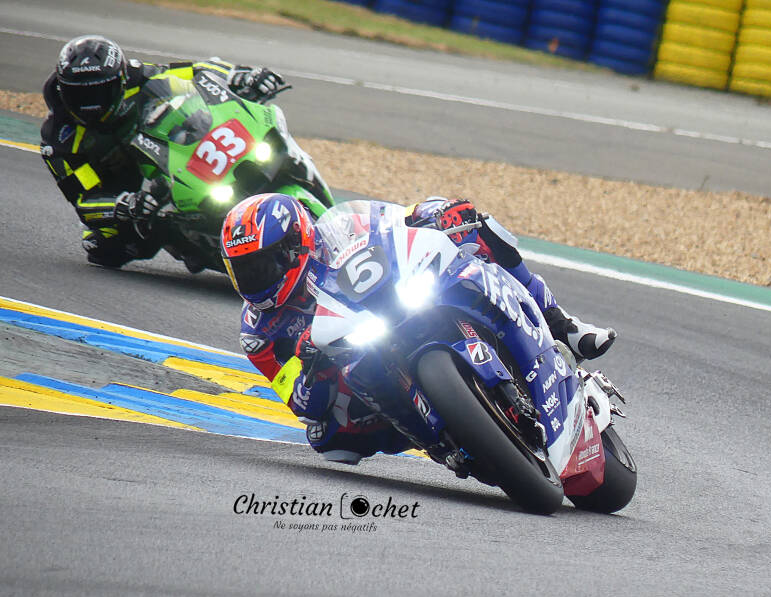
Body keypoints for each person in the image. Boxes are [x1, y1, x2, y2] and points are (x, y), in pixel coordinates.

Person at [221, 193, 617, 465]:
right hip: (352, 365)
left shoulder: (338, 229)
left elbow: (402, 218)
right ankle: (441, 441)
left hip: (399, 302)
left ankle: (563, 325)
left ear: (295, 244)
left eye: (261, 266)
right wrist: (312, 365)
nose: (254, 281)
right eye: (242, 271)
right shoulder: (259, 332)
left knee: (477, 227)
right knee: (329, 439)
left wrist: (439, 211)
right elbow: (301, 404)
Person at [40, 34, 286, 268]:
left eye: (99, 91)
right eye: (79, 94)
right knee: (110, 245)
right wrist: (123, 204)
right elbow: (83, 200)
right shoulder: (59, 140)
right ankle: (203, 249)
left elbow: (197, 71)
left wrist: (241, 75)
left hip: (163, 155)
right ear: (63, 90)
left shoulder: (136, 75)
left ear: (120, 80)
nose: (90, 103)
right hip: (122, 187)